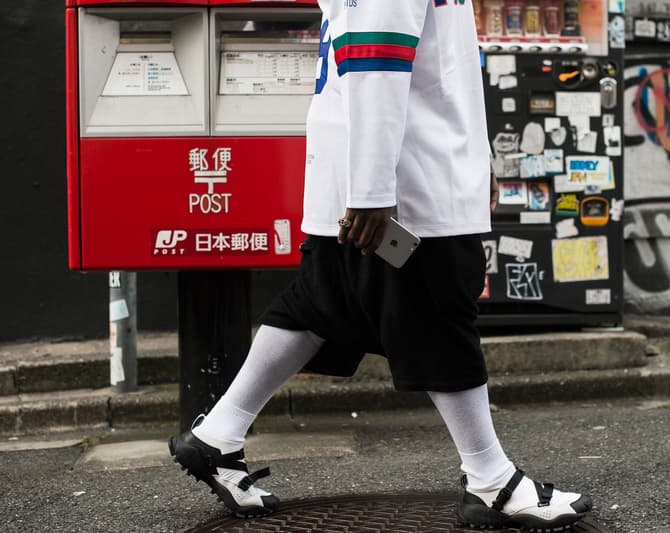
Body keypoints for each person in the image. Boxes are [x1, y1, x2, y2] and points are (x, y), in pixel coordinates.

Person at [168, 0, 593, 530]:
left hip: (375, 172)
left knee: (319, 305)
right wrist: (372, 191)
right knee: (438, 314)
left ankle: (217, 433)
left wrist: (475, 161)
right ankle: (491, 481)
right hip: (407, 179)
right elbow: (375, 58)